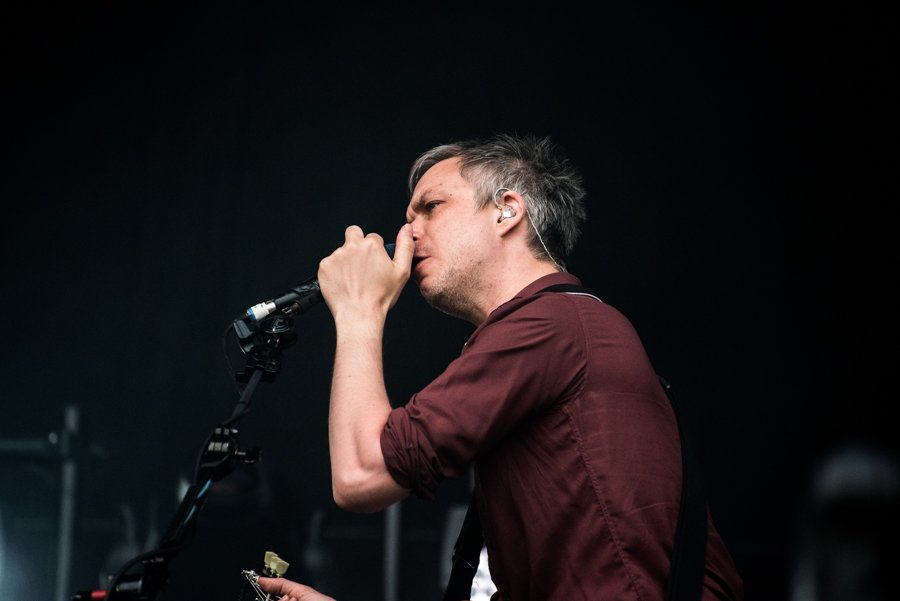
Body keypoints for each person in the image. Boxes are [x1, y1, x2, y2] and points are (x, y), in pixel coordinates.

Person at [258, 133, 744, 600]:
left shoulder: (549, 322)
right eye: (408, 218)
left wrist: (358, 309)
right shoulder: (562, 326)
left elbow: (363, 475)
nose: (407, 233)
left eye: (431, 207)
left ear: (507, 210)